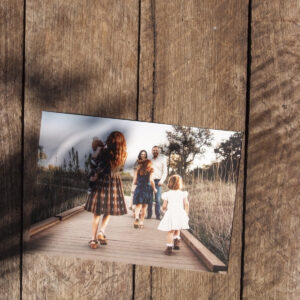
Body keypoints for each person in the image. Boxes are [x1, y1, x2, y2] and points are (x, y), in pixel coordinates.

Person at [84, 131, 128, 249]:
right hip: (114, 183)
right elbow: (121, 169)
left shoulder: (104, 152)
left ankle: (93, 240)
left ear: (110, 140)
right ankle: (101, 232)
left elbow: (95, 165)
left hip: (102, 183)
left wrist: (97, 152)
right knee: (109, 210)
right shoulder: (123, 155)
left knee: (97, 213)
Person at [157, 175, 189, 255]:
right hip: (180, 213)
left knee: (170, 231)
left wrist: (162, 210)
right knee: (177, 228)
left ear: (170, 183)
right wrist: (186, 213)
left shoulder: (167, 194)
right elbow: (187, 204)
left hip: (171, 213)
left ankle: (169, 247)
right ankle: (177, 241)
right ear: (180, 184)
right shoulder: (183, 194)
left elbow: (164, 206)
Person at [132, 159, 157, 228]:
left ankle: (137, 217)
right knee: (144, 207)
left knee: (138, 206)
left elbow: (134, 181)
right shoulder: (151, 170)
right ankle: (141, 222)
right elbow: (151, 180)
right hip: (147, 190)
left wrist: (137, 184)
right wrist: (154, 188)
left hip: (139, 188)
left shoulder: (139, 169)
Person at [147, 146, 167, 220]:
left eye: (156, 150)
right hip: (150, 181)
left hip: (158, 181)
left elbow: (165, 172)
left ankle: (158, 215)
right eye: (154, 150)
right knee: (149, 198)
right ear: (152, 151)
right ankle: (149, 215)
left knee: (158, 199)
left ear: (158, 151)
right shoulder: (150, 160)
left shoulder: (162, 160)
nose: (155, 151)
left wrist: (162, 181)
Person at [129, 150, 148, 215]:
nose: (143, 155)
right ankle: (134, 211)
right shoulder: (137, 162)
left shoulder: (147, 162)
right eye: (142, 154)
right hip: (137, 181)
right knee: (134, 195)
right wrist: (134, 181)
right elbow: (135, 173)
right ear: (140, 155)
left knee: (141, 197)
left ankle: (139, 212)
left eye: (144, 154)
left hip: (144, 182)